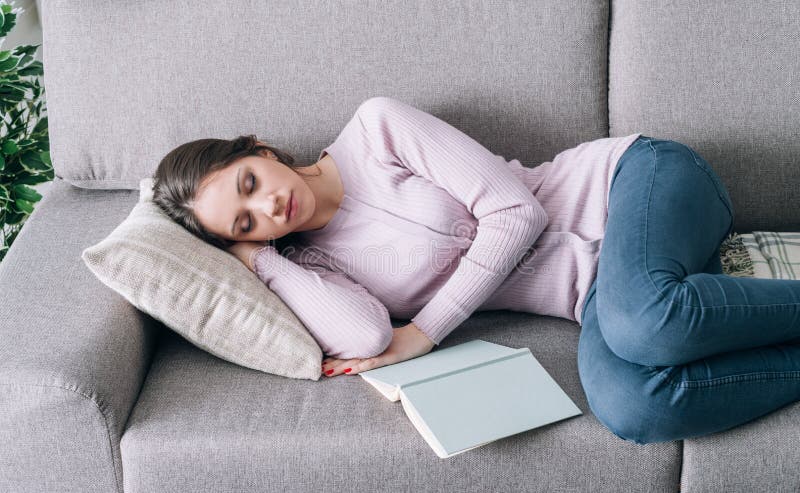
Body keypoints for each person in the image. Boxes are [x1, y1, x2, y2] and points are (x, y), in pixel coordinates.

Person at [151, 96, 800, 444]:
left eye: (249, 181)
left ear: (261, 149)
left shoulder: (376, 130)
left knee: (642, 324)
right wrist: (264, 261)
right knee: (631, 405)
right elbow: (369, 337)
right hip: (599, 293)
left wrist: (427, 329)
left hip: (635, 183)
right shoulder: (310, 263)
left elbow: (518, 215)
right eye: (244, 222)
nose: (266, 205)